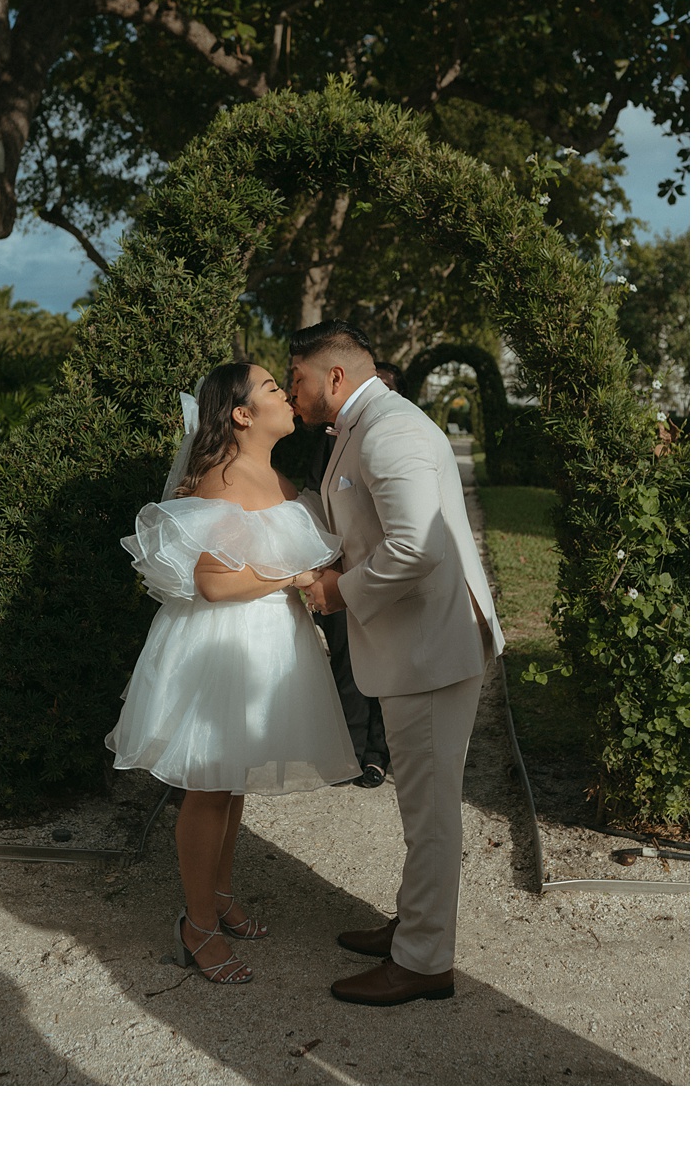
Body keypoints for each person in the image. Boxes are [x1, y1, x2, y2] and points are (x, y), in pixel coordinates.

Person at [105, 362, 360, 985]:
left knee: (233, 778)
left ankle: (217, 893)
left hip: (269, 642)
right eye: (273, 388)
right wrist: (295, 578)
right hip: (222, 645)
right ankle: (195, 925)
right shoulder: (220, 481)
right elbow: (215, 585)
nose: (285, 395)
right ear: (242, 414)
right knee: (210, 785)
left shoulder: (275, 477)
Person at [289, 320, 505, 1006]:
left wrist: (336, 590)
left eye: (295, 379)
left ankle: (422, 963)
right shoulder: (364, 425)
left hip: (431, 650)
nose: (291, 393)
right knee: (420, 807)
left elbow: (416, 548)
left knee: (432, 811)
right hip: (414, 644)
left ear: (333, 378)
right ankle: (414, 927)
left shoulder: (390, 431)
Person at [301, 358, 406, 789]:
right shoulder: (329, 440)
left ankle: (379, 753)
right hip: (339, 573)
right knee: (344, 661)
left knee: (387, 663)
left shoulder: (396, 437)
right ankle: (351, 750)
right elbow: (313, 498)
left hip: (383, 575)